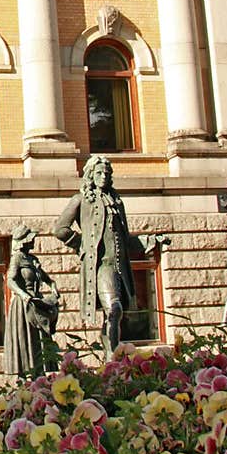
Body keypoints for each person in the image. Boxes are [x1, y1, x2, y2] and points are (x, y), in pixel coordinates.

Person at [53, 154, 135, 360]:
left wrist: (153, 240)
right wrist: (82, 245)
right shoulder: (80, 200)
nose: (104, 176)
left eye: (107, 173)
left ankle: (112, 353)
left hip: (119, 267)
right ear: (90, 175)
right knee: (114, 309)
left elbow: (126, 240)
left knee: (116, 312)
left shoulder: (117, 202)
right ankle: (112, 356)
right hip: (103, 267)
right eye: (99, 172)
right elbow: (60, 229)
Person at [3, 225, 60, 379]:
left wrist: (53, 287)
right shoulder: (17, 258)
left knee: (39, 341)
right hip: (23, 306)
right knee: (25, 340)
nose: (33, 241)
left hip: (36, 304)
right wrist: (23, 294)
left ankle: (39, 376)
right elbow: (10, 280)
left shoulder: (33, 259)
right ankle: (25, 377)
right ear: (24, 241)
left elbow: (47, 278)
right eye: (31, 239)